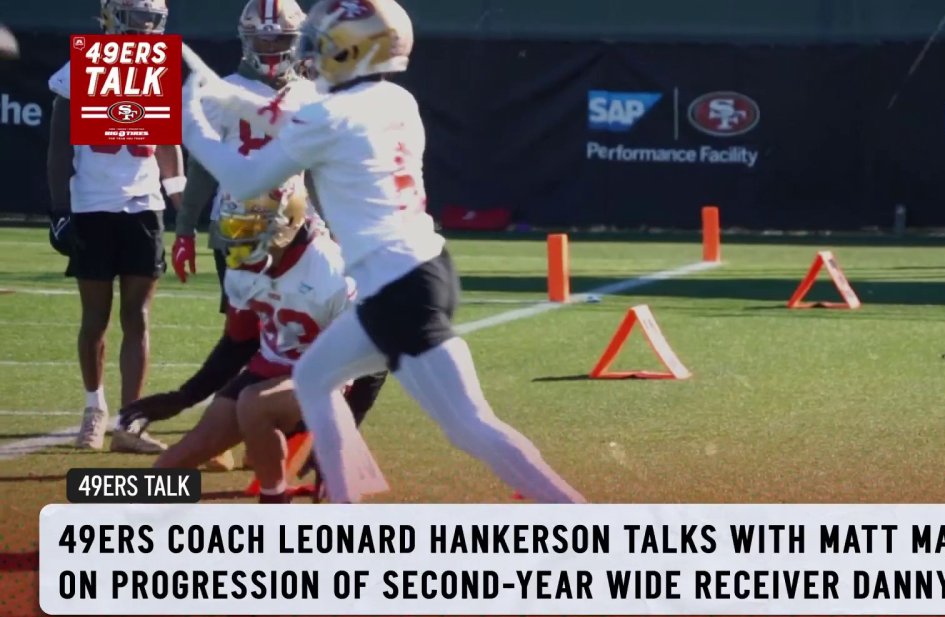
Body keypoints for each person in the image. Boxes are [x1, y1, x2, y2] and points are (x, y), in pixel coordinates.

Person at [178, 0, 585, 504]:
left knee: (471, 426)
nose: (314, 55)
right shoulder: (395, 100)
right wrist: (226, 101)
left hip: (397, 284)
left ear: (355, 50)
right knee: (313, 377)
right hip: (417, 271)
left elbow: (244, 177)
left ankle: (579, 517)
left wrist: (190, 120)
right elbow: (287, 118)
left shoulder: (330, 114)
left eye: (326, 44)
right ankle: (343, 507)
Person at [122, 178, 375, 502]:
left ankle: (273, 502)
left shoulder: (329, 271)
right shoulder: (244, 264)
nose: (245, 239)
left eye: (255, 227)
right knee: (173, 464)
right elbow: (238, 343)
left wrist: (337, 440)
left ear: (289, 223)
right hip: (271, 369)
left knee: (254, 402)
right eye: (240, 226)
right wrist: (183, 397)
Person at [46, 0, 185, 453]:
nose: (145, 30)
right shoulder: (82, 67)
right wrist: (60, 208)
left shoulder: (156, 69)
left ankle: (130, 422)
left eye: (152, 21)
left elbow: (167, 144)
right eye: (138, 19)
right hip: (92, 205)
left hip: (144, 205)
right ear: (113, 17)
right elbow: (59, 148)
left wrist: (180, 201)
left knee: (137, 317)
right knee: (95, 318)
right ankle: (94, 408)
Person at [172, 0, 306, 310]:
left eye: (280, 38)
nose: (271, 47)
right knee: (245, 329)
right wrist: (185, 229)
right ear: (247, 39)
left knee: (296, 327)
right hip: (237, 225)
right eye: (263, 38)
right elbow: (203, 168)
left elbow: (318, 174)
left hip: (298, 226)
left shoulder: (309, 93)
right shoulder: (222, 91)